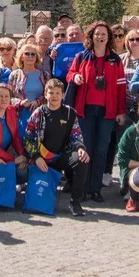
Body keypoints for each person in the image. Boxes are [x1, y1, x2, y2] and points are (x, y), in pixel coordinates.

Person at [68, 21, 127, 202]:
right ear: (91, 36)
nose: (100, 37)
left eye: (104, 34)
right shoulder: (81, 57)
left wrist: (120, 111)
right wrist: (75, 76)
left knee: (101, 150)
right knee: (86, 149)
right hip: (85, 111)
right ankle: (83, 188)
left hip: (106, 112)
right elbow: (69, 74)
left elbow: (121, 88)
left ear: (108, 38)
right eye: (97, 34)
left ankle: (95, 189)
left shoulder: (115, 60)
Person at [23, 79, 91, 217]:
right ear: (45, 94)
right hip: (42, 159)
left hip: (61, 156)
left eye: (57, 93)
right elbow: (27, 138)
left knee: (82, 159)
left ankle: (75, 201)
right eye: (51, 93)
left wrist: (80, 148)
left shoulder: (69, 113)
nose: (54, 96)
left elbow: (76, 134)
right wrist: (36, 157)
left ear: (62, 95)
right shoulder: (38, 113)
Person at [8, 43, 46, 113]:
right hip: (19, 115)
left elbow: (49, 95)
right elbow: (9, 97)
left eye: (33, 54)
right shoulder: (14, 75)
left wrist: (38, 101)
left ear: (36, 57)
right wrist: (20, 102)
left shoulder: (45, 75)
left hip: (40, 114)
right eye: (27, 54)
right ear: (22, 57)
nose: (30, 56)